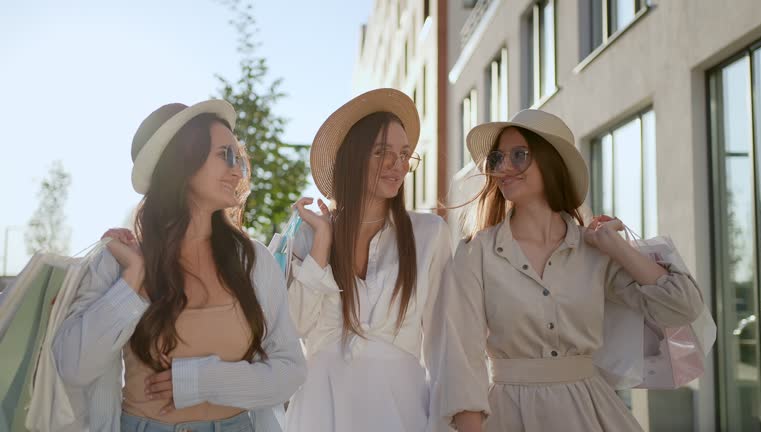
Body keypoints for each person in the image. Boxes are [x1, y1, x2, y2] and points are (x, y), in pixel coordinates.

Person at [442, 109, 705, 432]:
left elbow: (683, 306)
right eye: (498, 159)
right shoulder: (475, 252)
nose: (504, 167)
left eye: (519, 155)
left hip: (591, 413)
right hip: (506, 415)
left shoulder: (594, 250)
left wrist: (618, 248)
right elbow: (460, 359)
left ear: (552, 163)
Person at [52, 100, 306, 431]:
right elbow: (71, 367)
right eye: (224, 155)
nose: (237, 171)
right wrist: (133, 282)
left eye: (238, 159)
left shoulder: (254, 262)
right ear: (183, 165)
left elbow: (290, 370)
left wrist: (202, 380)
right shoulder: (118, 261)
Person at [284, 88, 454, 432]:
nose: (398, 165)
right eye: (382, 152)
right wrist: (323, 243)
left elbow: (444, 343)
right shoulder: (309, 234)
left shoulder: (430, 233)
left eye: (405, 154)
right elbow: (293, 328)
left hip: (401, 411)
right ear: (354, 157)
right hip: (319, 411)